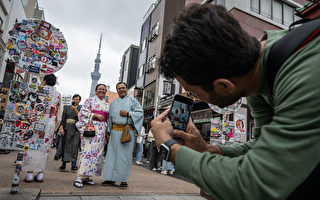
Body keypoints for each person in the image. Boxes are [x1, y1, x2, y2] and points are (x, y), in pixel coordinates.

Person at [151, 3, 320, 200]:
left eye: (195, 94)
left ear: (224, 86)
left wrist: (170, 148)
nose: (195, 98)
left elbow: (255, 183)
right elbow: (260, 145)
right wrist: (208, 149)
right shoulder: (257, 77)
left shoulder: (304, 73)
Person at [101, 82, 143, 188]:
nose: (121, 89)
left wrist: (128, 113)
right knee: (112, 156)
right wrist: (108, 131)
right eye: (119, 88)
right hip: (114, 132)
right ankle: (110, 179)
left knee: (124, 157)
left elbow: (140, 113)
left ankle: (123, 180)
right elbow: (110, 118)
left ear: (127, 89)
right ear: (117, 90)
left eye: (123, 87)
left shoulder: (133, 101)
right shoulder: (113, 103)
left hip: (126, 131)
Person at [23, 74, 62, 182]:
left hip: (36, 121)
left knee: (32, 146)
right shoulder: (57, 94)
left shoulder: (37, 91)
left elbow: (29, 106)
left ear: (44, 81)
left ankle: (29, 174)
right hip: (49, 122)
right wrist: (54, 127)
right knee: (45, 148)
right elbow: (59, 115)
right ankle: (40, 174)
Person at [74, 84, 108, 188]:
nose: (101, 91)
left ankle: (87, 176)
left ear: (106, 91)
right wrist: (94, 115)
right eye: (99, 89)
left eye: (103, 89)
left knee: (98, 153)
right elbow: (82, 113)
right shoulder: (89, 100)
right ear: (96, 91)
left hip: (102, 130)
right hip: (91, 128)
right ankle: (79, 177)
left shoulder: (106, 104)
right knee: (87, 151)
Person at [59, 94, 82, 171]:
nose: (75, 101)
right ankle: (64, 164)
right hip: (67, 128)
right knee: (65, 145)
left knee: (75, 146)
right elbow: (63, 119)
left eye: (77, 99)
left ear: (79, 101)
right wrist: (61, 128)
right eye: (74, 99)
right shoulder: (66, 107)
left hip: (76, 129)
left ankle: (74, 164)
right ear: (72, 99)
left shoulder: (81, 108)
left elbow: (81, 118)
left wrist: (75, 110)